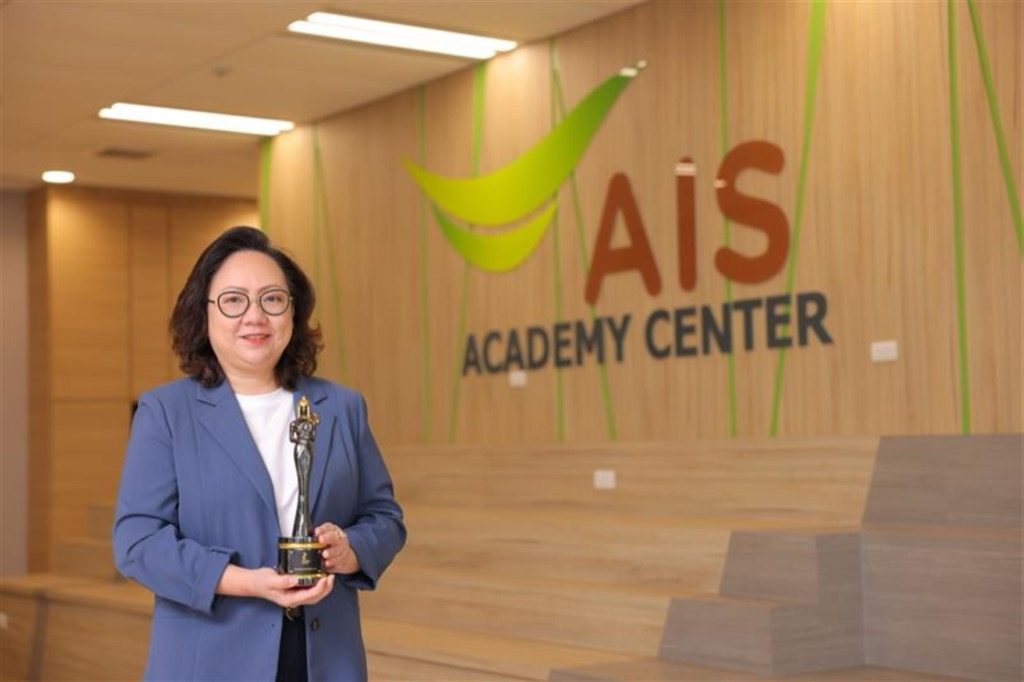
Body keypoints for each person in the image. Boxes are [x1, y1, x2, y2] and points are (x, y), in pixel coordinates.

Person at [113, 225, 406, 681]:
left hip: (324, 657)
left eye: (272, 299)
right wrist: (245, 581)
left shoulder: (341, 407)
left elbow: (384, 517)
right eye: (234, 300)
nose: (255, 316)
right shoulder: (167, 412)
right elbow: (137, 542)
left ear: (293, 311)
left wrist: (350, 551)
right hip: (211, 660)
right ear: (204, 313)